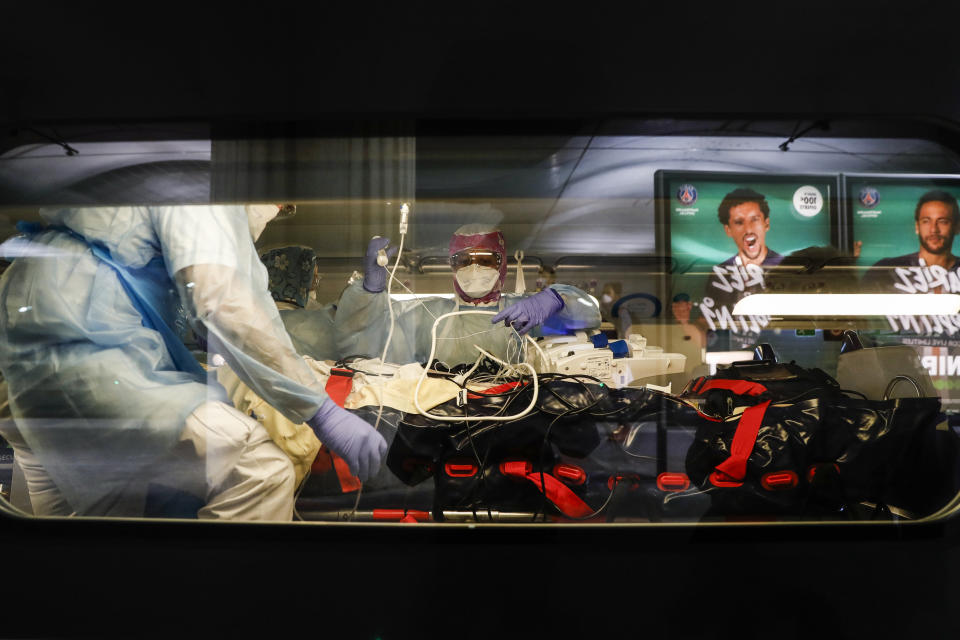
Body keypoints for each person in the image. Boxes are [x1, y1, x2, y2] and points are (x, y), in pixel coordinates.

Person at [0, 204, 386, 520]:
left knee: (92, 531)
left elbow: (239, 306)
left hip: (25, 366)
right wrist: (321, 411)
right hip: (81, 351)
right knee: (259, 473)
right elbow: (227, 302)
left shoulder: (133, 199)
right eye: (280, 203)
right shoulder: (205, 186)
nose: (277, 211)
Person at [333, 223, 602, 367]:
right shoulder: (427, 317)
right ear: (451, 265)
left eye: (486, 259)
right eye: (462, 259)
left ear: (503, 263)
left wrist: (555, 299)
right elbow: (360, 346)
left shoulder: (529, 313)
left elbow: (590, 317)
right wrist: (369, 292)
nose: (473, 268)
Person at [861, 190, 960, 294]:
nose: (933, 229)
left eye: (943, 221)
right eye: (926, 221)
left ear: (957, 227)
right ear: (917, 227)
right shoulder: (886, 270)